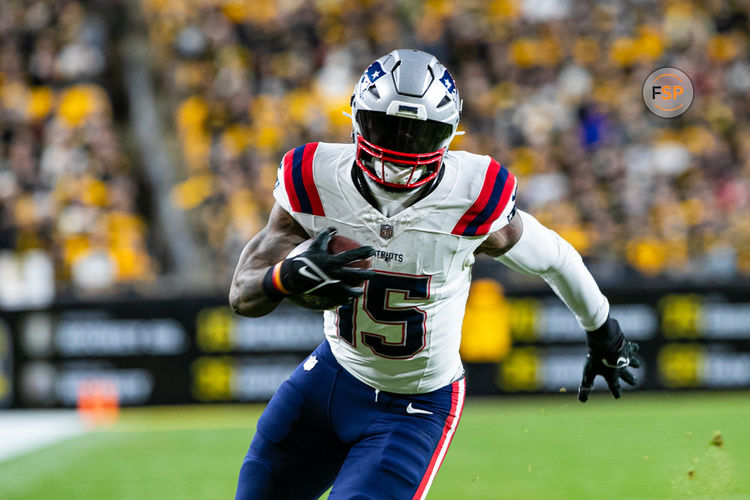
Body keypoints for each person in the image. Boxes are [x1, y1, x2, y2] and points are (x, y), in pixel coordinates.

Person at [229, 49, 640, 499]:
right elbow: (242, 294)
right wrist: (285, 277)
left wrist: (604, 331)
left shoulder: (470, 195)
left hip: (416, 404)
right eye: (388, 127)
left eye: (419, 134)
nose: (400, 147)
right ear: (358, 118)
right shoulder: (315, 176)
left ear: (448, 135)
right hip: (331, 375)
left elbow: (555, 258)